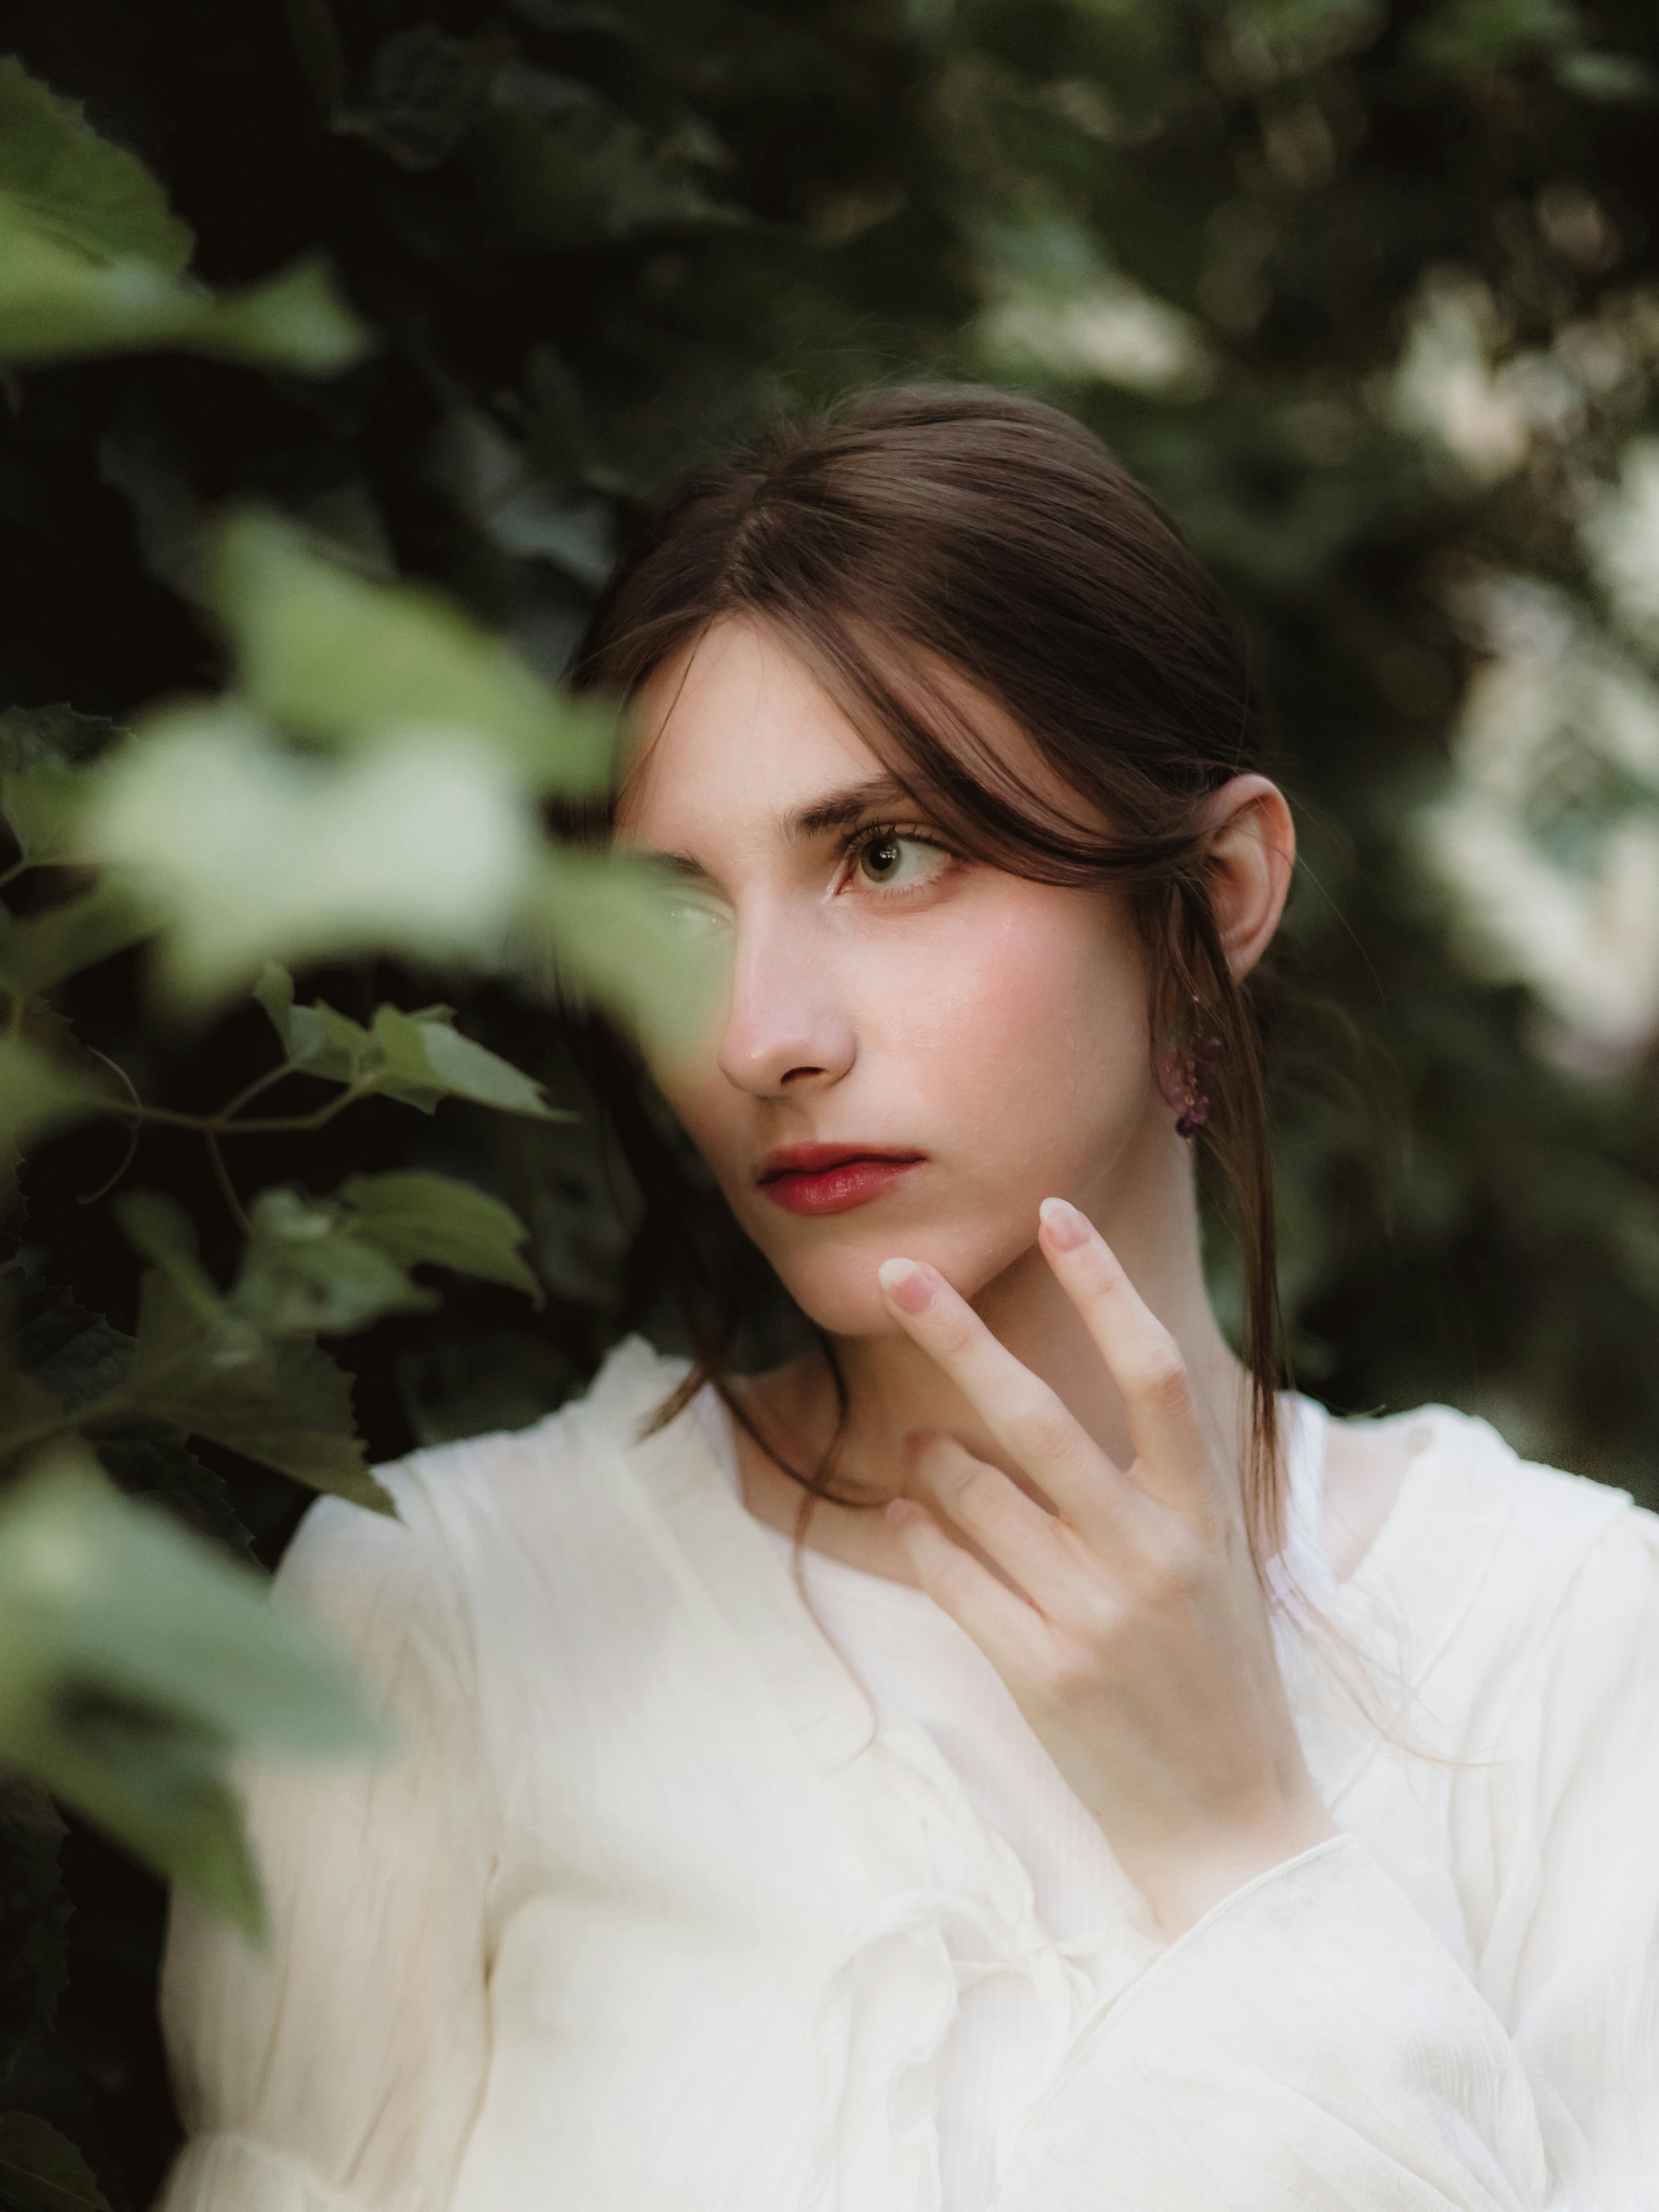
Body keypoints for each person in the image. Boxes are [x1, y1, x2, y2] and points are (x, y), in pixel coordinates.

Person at [155, 387, 1659, 2212]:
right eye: (678, 914)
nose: (760, 1034)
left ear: (1214, 892)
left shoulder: (1572, 1652)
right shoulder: (445, 1618)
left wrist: (1236, 1845)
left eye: (886, 854)